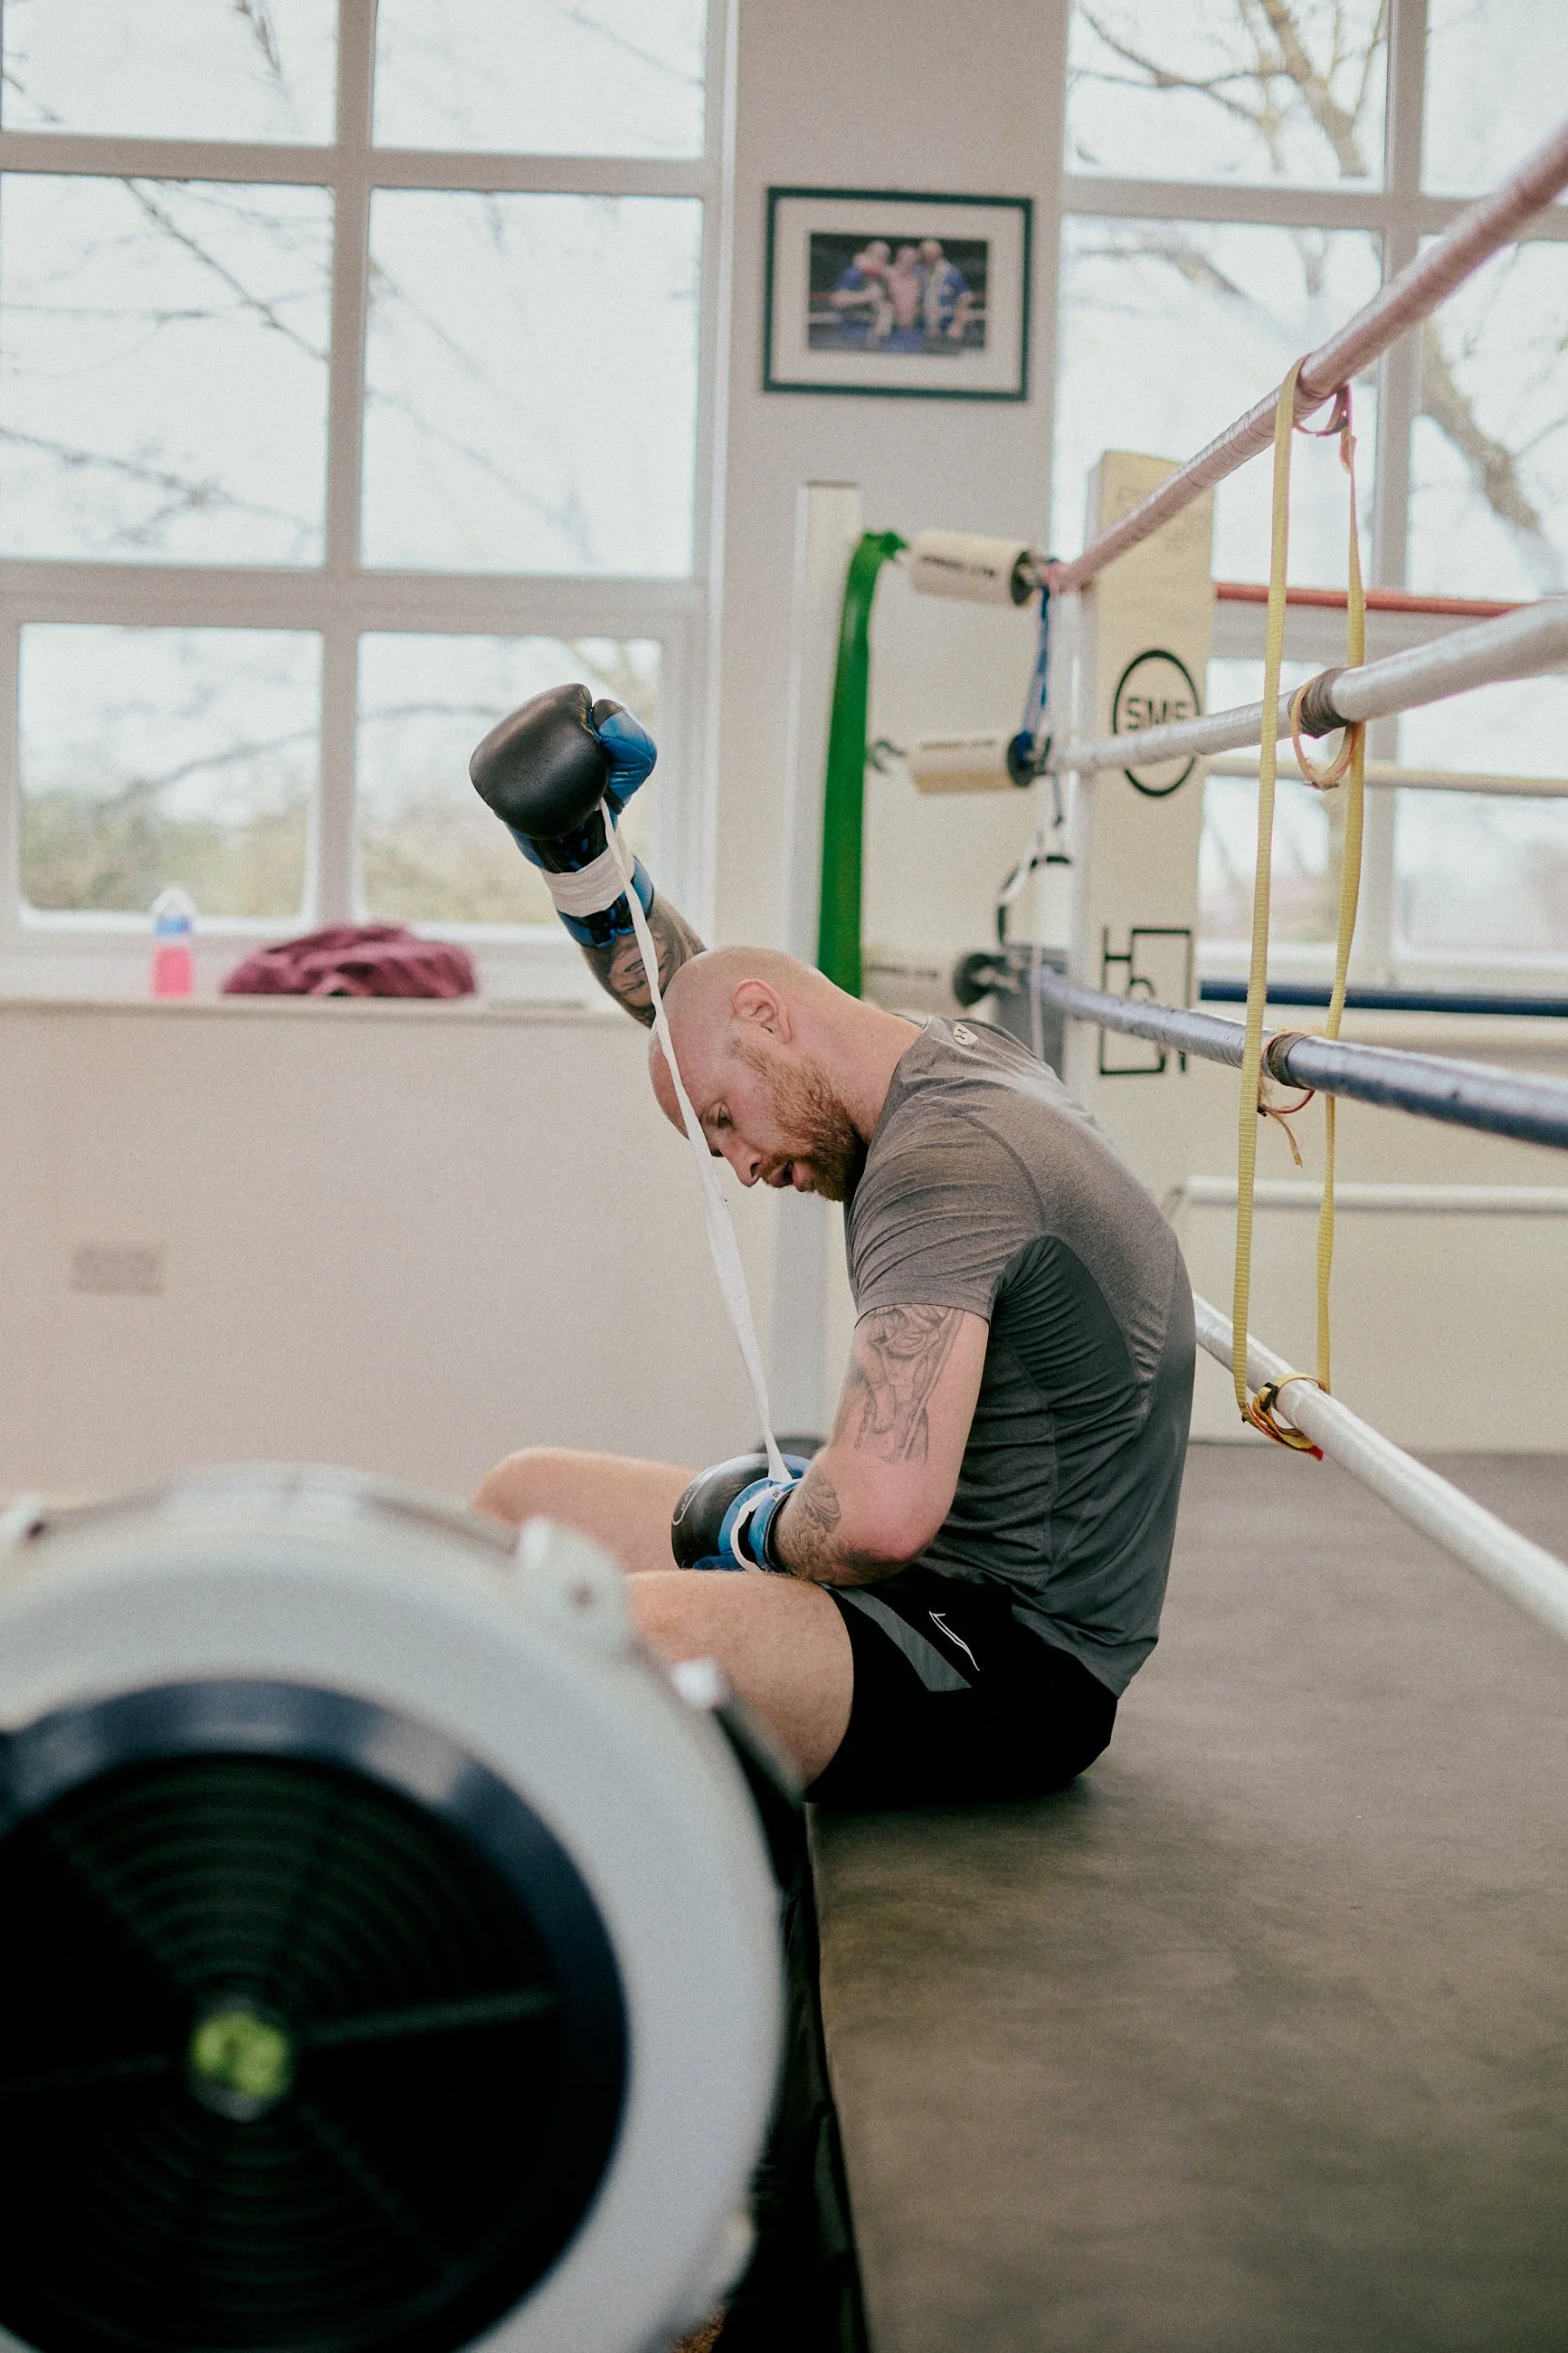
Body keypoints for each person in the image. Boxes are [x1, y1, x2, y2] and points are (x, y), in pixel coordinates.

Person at [467, 686, 1195, 1809]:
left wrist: (745, 1522)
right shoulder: (933, 1061)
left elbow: (875, 1519)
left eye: (720, 1122)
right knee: (525, 1499)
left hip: (1005, 1658)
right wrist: (585, 865)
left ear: (768, 1014)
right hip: (926, 1573)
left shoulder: (945, 1164)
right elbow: (689, 1003)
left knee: (608, 1636)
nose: (743, 1166)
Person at [823, 239, 890, 348]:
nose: (881, 260)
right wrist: (868, 296)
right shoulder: (854, 273)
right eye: (878, 256)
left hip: (872, 336)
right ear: (868, 255)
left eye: (884, 257)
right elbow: (837, 300)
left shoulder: (881, 277)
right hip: (850, 335)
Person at [918, 237, 976, 345]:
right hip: (928, 328)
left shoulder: (952, 273)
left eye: (931, 254)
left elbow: (966, 298)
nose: (928, 258)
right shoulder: (922, 272)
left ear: (939, 254)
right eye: (925, 255)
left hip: (948, 327)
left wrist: (958, 324)